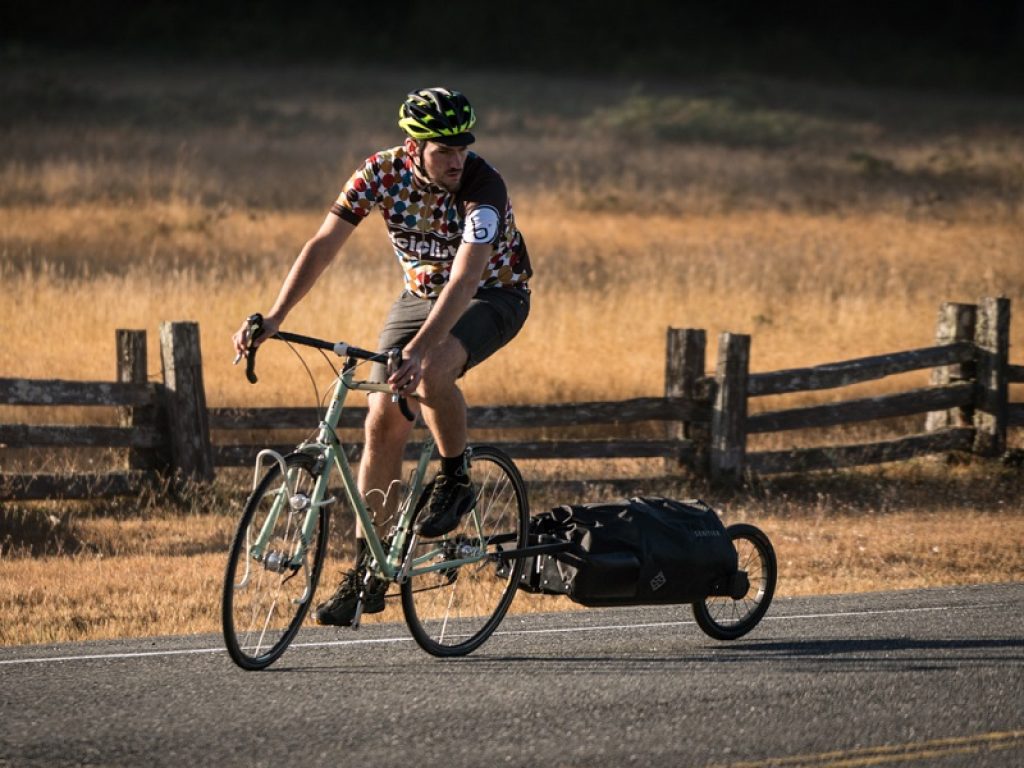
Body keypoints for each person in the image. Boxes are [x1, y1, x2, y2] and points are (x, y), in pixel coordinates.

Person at [231, 87, 532, 626]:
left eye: (462, 146)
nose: (456, 159)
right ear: (412, 146)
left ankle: (456, 476)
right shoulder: (378, 173)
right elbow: (323, 244)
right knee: (380, 421)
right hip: (419, 296)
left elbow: (465, 278)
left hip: (492, 294)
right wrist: (273, 317)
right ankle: (368, 567)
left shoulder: (484, 188)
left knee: (430, 372)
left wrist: (418, 351)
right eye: (443, 149)